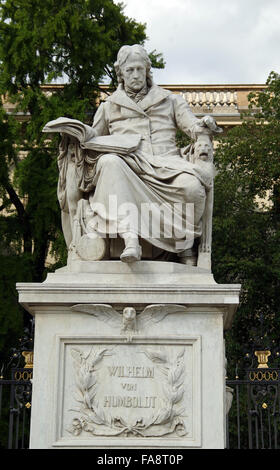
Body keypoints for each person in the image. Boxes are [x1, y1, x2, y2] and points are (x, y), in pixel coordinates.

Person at [55, 44, 221, 264]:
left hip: (166, 163)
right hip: (128, 162)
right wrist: (77, 136)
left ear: (147, 71)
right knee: (109, 162)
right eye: (129, 70)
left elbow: (192, 126)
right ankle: (130, 239)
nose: (135, 75)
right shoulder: (109, 106)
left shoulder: (170, 100)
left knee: (191, 188)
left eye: (139, 69)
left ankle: (184, 245)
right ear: (121, 74)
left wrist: (204, 125)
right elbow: (94, 137)